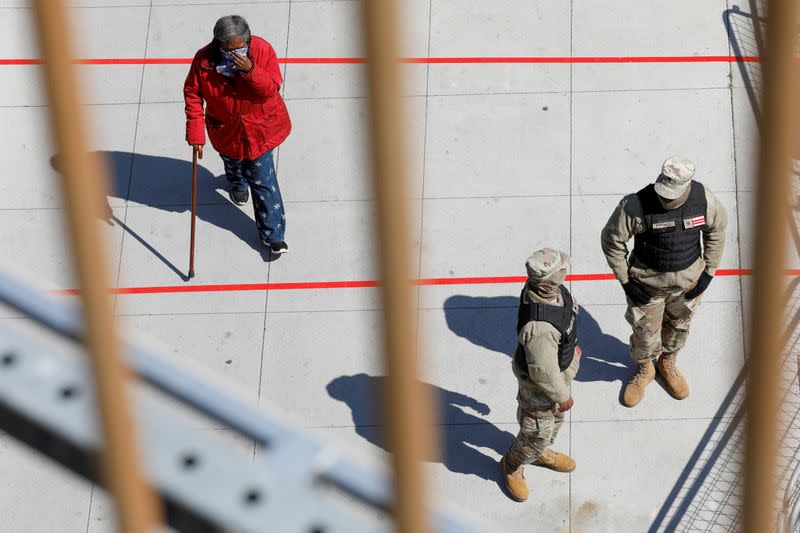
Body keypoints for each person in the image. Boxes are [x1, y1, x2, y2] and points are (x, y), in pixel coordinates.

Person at [601, 157, 727, 408]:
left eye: (672, 195)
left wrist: (708, 272)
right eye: (663, 193)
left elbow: (717, 231)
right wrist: (626, 281)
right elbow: (612, 241)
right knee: (644, 336)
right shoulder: (636, 205)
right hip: (647, 288)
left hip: (688, 287)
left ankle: (667, 363)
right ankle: (645, 369)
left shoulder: (704, 201)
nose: (665, 200)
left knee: (678, 329)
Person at [183, 15, 292, 255]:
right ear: (218, 44)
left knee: (264, 181)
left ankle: (273, 235)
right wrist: (196, 134)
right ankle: (237, 181)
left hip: (260, 130)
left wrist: (251, 70)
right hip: (226, 130)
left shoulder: (262, 51)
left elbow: (270, 90)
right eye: (229, 50)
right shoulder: (203, 61)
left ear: (248, 41)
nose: (235, 54)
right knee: (233, 162)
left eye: (240, 48)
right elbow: (192, 94)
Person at [500, 248, 581, 502]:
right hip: (542, 388)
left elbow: (564, 322)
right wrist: (563, 395)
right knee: (536, 429)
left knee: (552, 423)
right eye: (561, 269)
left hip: (556, 375)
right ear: (549, 280)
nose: (565, 271)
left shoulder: (547, 292)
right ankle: (513, 464)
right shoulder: (539, 330)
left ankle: (540, 451)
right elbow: (543, 372)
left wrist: (571, 348)